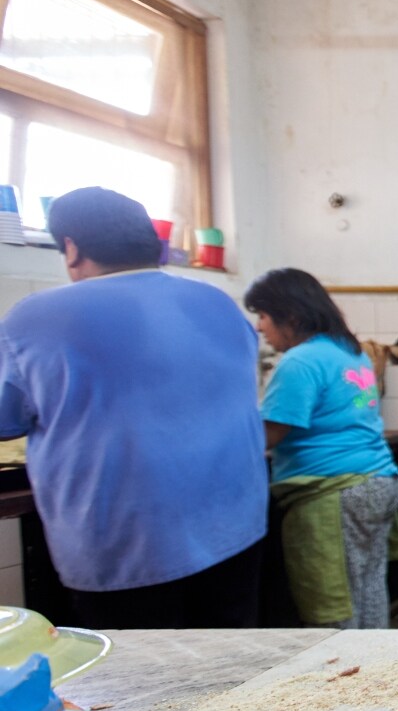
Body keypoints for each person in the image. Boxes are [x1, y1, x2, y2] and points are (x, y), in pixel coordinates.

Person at [0, 187, 266, 628]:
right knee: (232, 673)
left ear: (70, 248)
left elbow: (7, 420)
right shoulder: (216, 301)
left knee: (142, 687)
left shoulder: (36, 318)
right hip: (234, 530)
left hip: (127, 544)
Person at [246, 269, 398, 629]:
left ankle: (339, 677)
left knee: (333, 604)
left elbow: (268, 435)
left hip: (333, 489)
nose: (259, 327)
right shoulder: (351, 352)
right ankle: (372, 674)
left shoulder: (300, 361)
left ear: (292, 316)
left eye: (264, 316)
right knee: (366, 592)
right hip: (377, 480)